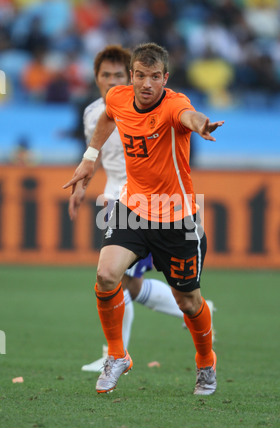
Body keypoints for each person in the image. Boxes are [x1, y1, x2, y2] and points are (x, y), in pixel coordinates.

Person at [64, 43, 224, 396]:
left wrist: (201, 124)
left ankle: (205, 360)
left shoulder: (173, 105)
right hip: (132, 209)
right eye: (140, 75)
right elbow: (108, 114)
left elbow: (189, 116)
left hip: (177, 219)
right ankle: (118, 355)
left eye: (155, 77)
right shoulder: (119, 98)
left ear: (165, 78)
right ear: (132, 76)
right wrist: (90, 158)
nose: (147, 84)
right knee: (107, 275)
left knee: (189, 302)